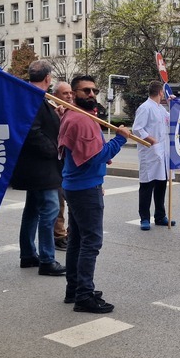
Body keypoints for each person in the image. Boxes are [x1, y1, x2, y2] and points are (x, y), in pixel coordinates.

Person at [58, 75, 130, 313]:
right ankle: (84, 296)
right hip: (84, 188)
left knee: (77, 241)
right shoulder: (81, 120)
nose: (91, 94)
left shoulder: (80, 116)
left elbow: (90, 151)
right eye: (85, 91)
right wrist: (120, 140)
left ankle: (75, 288)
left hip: (78, 185)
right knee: (91, 242)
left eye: (94, 91)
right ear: (74, 94)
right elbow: (93, 157)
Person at [10, 60, 66, 276]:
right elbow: (32, 133)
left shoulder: (33, 97)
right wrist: (55, 150)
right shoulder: (33, 97)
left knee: (32, 210)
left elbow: (41, 126)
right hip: (41, 167)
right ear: (48, 78)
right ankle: (47, 260)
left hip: (35, 167)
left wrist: (57, 117)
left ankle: (28, 255)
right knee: (50, 209)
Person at [132, 80, 174, 229]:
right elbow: (137, 129)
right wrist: (153, 141)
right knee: (147, 186)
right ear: (160, 92)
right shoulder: (145, 108)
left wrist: (173, 105)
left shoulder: (161, 109)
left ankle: (160, 215)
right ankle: (144, 218)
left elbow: (172, 120)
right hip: (149, 152)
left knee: (161, 184)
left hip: (162, 153)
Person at [51, 81, 73, 251]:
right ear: (56, 95)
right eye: (65, 94)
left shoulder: (72, 111)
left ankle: (71, 232)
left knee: (73, 201)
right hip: (56, 165)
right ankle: (59, 236)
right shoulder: (51, 110)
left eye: (70, 93)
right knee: (59, 203)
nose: (69, 96)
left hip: (71, 164)